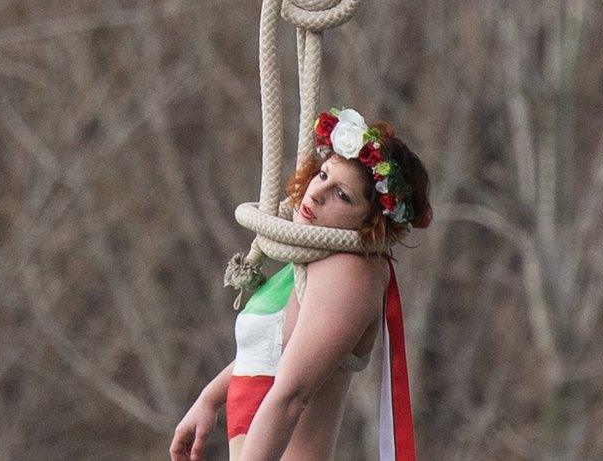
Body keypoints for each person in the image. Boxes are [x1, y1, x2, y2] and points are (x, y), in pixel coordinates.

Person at [170, 108, 432, 461]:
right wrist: (210, 398)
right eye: (323, 174)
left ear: (370, 221)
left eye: (342, 195)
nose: (317, 192)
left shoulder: (351, 273)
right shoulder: (312, 264)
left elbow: (291, 396)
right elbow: (271, 355)